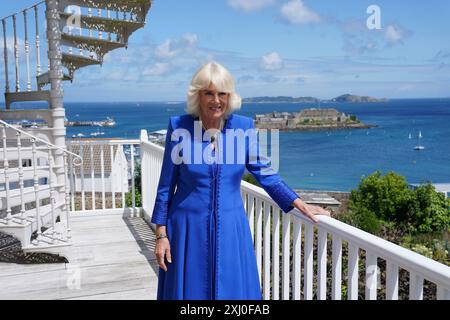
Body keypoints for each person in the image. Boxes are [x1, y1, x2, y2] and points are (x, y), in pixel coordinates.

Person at [151, 61, 330, 300]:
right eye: (209, 93)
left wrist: (298, 202)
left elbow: (265, 172)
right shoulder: (179, 126)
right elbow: (165, 187)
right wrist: (161, 236)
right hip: (185, 229)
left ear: (230, 96)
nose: (216, 100)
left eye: (222, 93)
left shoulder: (243, 127)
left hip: (231, 229)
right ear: (198, 96)